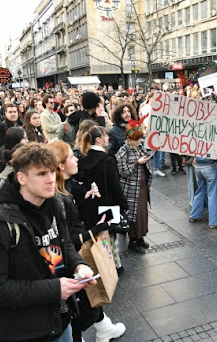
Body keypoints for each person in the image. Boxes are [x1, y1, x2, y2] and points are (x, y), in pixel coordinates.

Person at [0, 143, 95, 342]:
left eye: (53, 171)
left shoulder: (54, 203)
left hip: (61, 321)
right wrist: (54, 289)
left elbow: (64, 244)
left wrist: (79, 266)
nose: (51, 179)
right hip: (25, 332)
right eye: (41, 174)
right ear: (21, 178)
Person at [48, 140, 127, 342]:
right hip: (67, 262)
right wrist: (95, 230)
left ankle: (103, 328)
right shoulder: (58, 198)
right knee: (81, 304)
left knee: (89, 299)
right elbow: (65, 240)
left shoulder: (65, 189)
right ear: (61, 165)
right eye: (72, 157)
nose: (77, 159)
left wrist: (86, 199)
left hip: (72, 259)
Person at [77, 126, 128, 268]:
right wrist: (124, 205)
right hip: (109, 205)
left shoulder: (84, 159)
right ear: (98, 140)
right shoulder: (108, 160)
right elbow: (115, 186)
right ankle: (115, 265)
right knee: (111, 237)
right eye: (105, 136)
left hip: (92, 205)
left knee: (96, 236)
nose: (108, 138)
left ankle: (100, 265)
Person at [116, 118, 153, 254]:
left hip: (142, 187)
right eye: (136, 139)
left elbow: (150, 151)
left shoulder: (140, 146)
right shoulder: (123, 152)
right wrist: (137, 163)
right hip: (130, 188)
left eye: (139, 139)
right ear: (129, 138)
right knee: (133, 215)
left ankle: (140, 237)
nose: (138, 142)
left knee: (142, 214)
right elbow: (123, 172)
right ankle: (133, 240)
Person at [188, 156, 217, 229]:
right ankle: (214, 221)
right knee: (212, 193)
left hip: (198, 166)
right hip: (210, 165)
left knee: (200, 191)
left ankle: (194, 215)